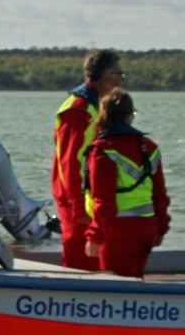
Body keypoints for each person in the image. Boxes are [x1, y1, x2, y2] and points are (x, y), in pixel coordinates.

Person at [84, 89, 171, 277]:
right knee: (135, 284)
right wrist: (161, 228)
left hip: (118, 231)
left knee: (116, 291)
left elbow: (104, 199)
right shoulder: (149, 146)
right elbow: (160, 195)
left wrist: (94, 236)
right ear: (130, 115)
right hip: (147, 228)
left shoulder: (103, 149)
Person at [53, 49, 124, 270]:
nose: (122, 79)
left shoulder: (96, 105)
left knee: (97, 258)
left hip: (90, 197)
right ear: (107, 77)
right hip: (76, 198)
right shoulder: (79, 109)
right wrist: (76, 204)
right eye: (120, 73)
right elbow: (69, 161)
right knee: (80, 260)